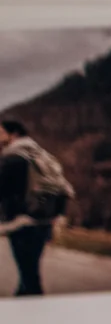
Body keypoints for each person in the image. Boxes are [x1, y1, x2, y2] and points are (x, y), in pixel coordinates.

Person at [0, 115, 68, 298]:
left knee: (29, 278)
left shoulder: (13, 156)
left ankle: (36, 318)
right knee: (29, 274)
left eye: (0, 132)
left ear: (13, 134)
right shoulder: (39, 153)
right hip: (44, 219)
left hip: (23, 223)